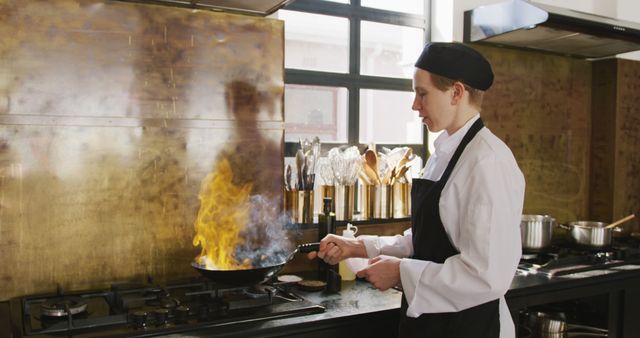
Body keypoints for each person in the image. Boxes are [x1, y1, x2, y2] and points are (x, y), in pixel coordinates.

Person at [309, 42, 525, 338]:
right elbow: (428, 241)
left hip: (470, 328)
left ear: (457, 93)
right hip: (430, 324)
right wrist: (358, 247)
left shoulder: (488, 162)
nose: (414, 105)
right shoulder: (444, 152)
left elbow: (486, 276)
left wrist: (401, 272)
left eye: (422, 93)